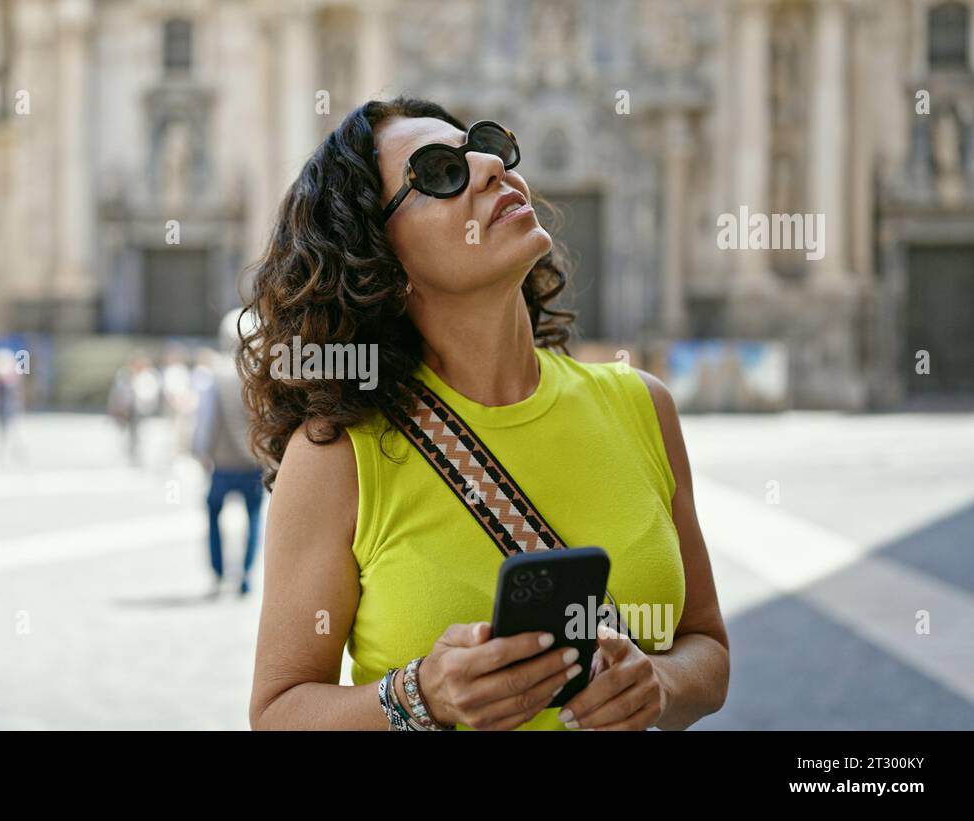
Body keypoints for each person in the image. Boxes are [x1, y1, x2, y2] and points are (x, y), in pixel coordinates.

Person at [245, 98, 729, 730]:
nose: (488, 168)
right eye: (441, 172)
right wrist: (421, 695)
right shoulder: (338, 454)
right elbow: (278, 713)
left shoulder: (643, 405)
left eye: (488, 146)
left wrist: (658, 683)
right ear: (381, 261)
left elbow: (707, 650)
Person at [192, 309, 265, 598]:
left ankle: (219, 571)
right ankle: (245, 575)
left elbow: (206, 420)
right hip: (254, 461)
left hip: (222, 463)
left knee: (213, 512)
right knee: (254, 518)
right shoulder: (260, 374)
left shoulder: (215, 376)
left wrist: (201, 453)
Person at [0, 347, 25, 461]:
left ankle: (9, 448)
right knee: (8, 423)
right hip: (6, 399)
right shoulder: (10, 365)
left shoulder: (1, 364)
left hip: (6, 399)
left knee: (9, 423)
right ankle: (7, 448)